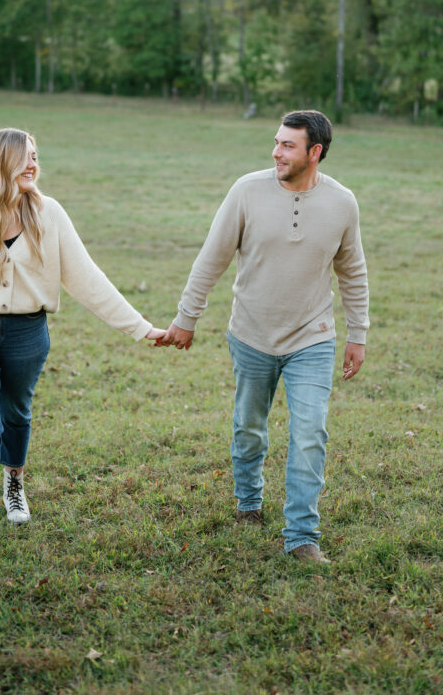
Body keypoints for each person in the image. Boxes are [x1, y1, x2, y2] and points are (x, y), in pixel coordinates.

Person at [0, 127, 165, 564]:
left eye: (35, 156)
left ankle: (14, 481)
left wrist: (142, 328)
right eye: (23, 157)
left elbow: (88, 280)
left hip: (27, 330)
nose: (33, 164)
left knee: (15, 414)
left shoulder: (48, 214)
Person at [158, 109, 369, 564]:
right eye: (276, 142)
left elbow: (352, 271)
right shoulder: (247, 191)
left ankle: (301, 536)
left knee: (310, 432)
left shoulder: (342, 203)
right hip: (251, 334)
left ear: (315, 152)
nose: (276, 151)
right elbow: (211, 259)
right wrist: (186, 318)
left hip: (312, 338)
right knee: (249, 428)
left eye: (287, 145)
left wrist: (358, 333)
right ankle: (249, 502)